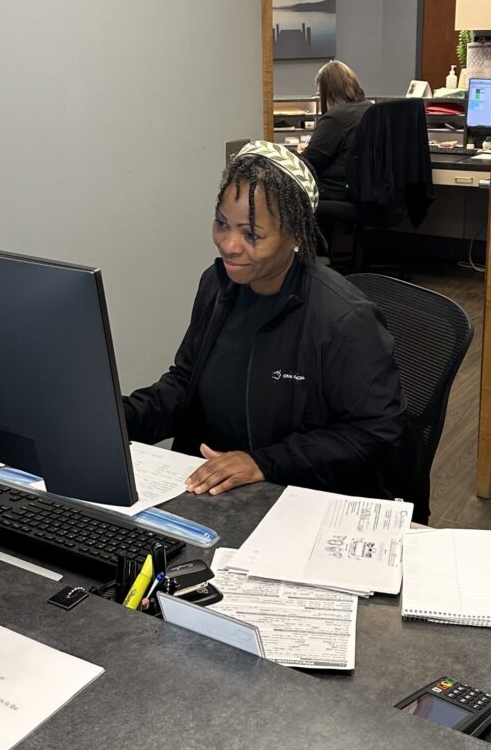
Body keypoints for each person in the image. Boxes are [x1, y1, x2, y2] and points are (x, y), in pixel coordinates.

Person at [123, 140, 405, 499]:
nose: (229, 245)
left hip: (298, 496)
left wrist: (263, 463)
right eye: (222, 224)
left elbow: (375, 432)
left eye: (251, 234)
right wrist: (117, 419)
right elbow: (185, 385)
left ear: (295, 237)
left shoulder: (344, 319)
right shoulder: (218, 284)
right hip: (218, 492)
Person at [301, 60, 371, 201]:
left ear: (327, 91)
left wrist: (301, 152)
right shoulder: (369, 108)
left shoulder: (336, 118)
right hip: (365, 189)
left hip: (337, 189)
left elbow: (308, 161)